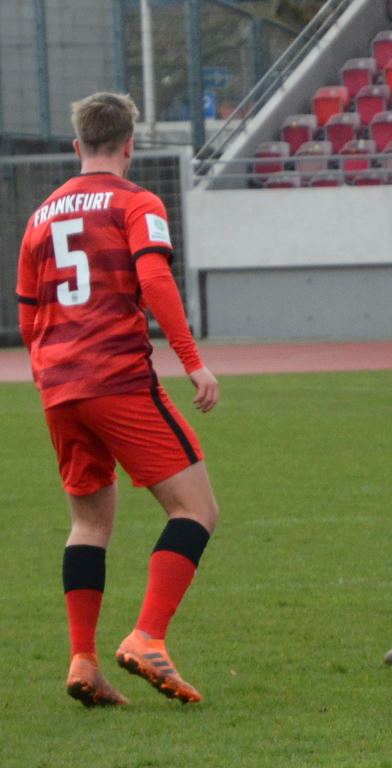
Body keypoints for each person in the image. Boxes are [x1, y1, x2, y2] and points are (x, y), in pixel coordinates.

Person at [16, 92, 220, 706]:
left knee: (88, 522)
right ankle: (147, 637)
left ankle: (83, 661)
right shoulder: (136, 201)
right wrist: (192, 361)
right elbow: (153, 277)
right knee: (196, 510)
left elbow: (27, 313)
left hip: (59, 387)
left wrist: (50, 374)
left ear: (76, 145)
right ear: (130, 145)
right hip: (117, 379)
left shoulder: (40, 216)